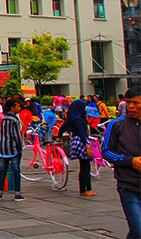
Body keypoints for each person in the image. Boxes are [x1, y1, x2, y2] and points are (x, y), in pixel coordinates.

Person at [102, 87, 141, 239]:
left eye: (135, 103)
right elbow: (106, 151)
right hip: (128, 186)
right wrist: (129, 161)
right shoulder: (117, 124)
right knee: (138, 231)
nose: (130, 107)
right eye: (128, 102)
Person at [59, 99, 95, 196]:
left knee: (84, 166)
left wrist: (59, 136)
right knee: (85, 167)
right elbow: (82, 132)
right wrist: (87, 145)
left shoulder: (73, 118)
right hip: (82, 141)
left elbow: (63, 127)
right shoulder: (78, 119)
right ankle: (84, 189)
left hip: (77, 141)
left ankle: (86, 189)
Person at [0, 99, 25, 202]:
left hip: (3, 149)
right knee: (16, 170)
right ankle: (17, 193)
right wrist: (20, 147)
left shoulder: (3, 119)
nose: (19, 108)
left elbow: (0, 133)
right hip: (13, 149)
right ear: (12, 107)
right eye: (17, 106)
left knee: (2, 171)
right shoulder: (14, 120)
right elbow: (16, 135)